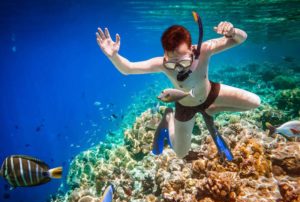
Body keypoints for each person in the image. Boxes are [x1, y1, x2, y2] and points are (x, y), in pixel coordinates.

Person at [96, 17, 261, 159]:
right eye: (171, 62)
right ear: (165, 55)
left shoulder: (204, 49)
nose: (178, 68)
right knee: (181, 153)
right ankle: (169, 118)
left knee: (255, 102)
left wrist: (233, 32)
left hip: (210, 94)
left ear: (192, 50)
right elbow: (128, 69)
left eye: (183, 62)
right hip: (185, 105)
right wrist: (114, 56)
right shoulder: (161, 63)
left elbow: (241, 38)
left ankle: (211, 109)